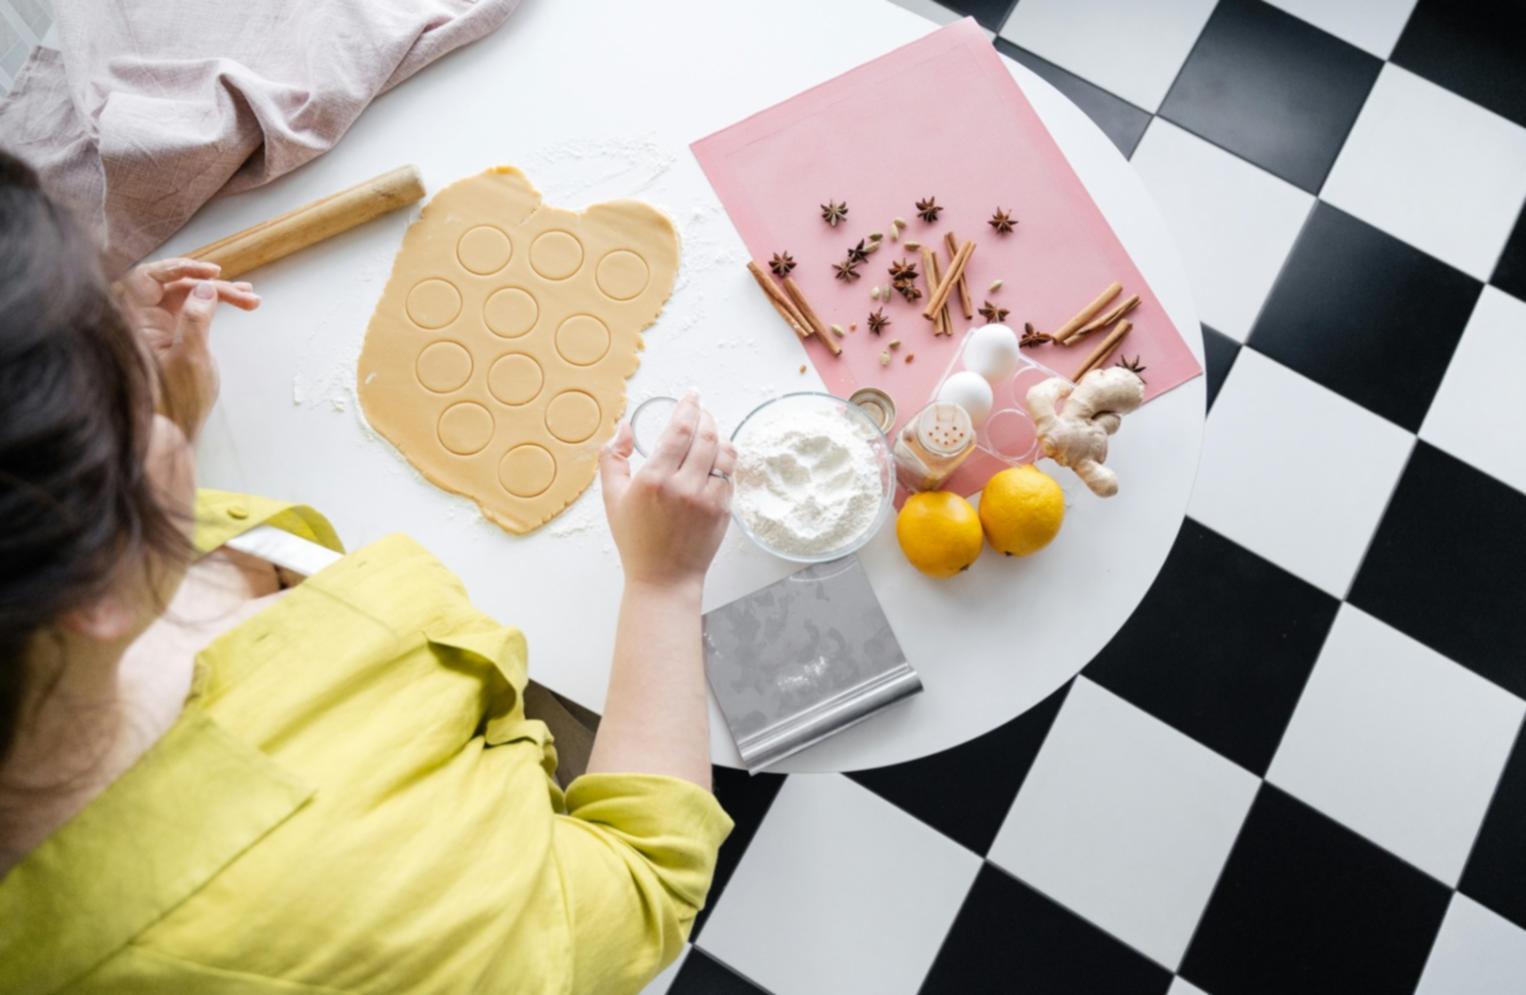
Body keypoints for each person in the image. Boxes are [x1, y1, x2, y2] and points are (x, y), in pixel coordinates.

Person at [0, 149, 735, 994]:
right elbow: (643, 884)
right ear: (85, 580)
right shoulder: (355, 917)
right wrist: (664, 585)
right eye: (120, 429)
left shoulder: (36, 623)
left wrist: (144, 421)